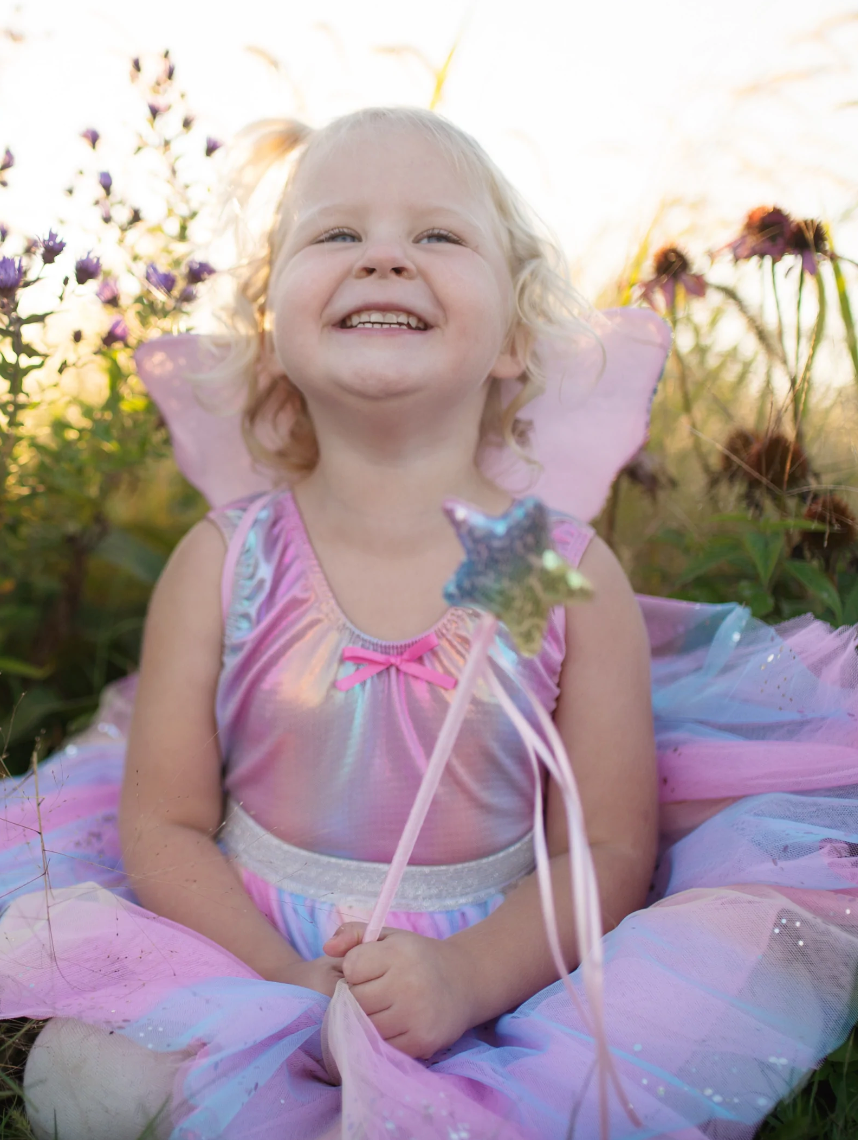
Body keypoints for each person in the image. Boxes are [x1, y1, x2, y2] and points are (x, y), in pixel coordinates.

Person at [1, 106, 857, 1140]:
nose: (386, 261)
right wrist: (285, 982)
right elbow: (166, 824)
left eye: (438, 236)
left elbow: (604, 847)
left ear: (515, 340)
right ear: (271, 329)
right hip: (246, 946)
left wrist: (461, 979)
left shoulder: (549, 573)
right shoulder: (228, 562)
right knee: (77, 1084)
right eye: (336, 234)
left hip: (496, 961)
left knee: (557, 1098)